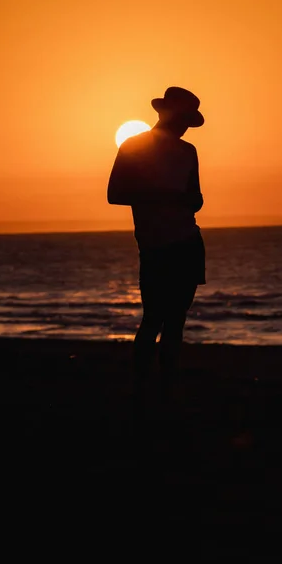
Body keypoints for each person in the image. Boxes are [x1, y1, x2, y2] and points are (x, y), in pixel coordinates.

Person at [107, 86, 206, 410]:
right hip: (155, 245)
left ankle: (165, 389)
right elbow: (115, 193)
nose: (183, 126)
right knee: (153, 319)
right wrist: (164, 195)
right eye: (182, 119)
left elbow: (197, 196)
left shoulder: (188, 151)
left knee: (175, 320)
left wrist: (188, 200)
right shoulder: (134, 147)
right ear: (166, 114)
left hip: (187, 241)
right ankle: (141, 389)